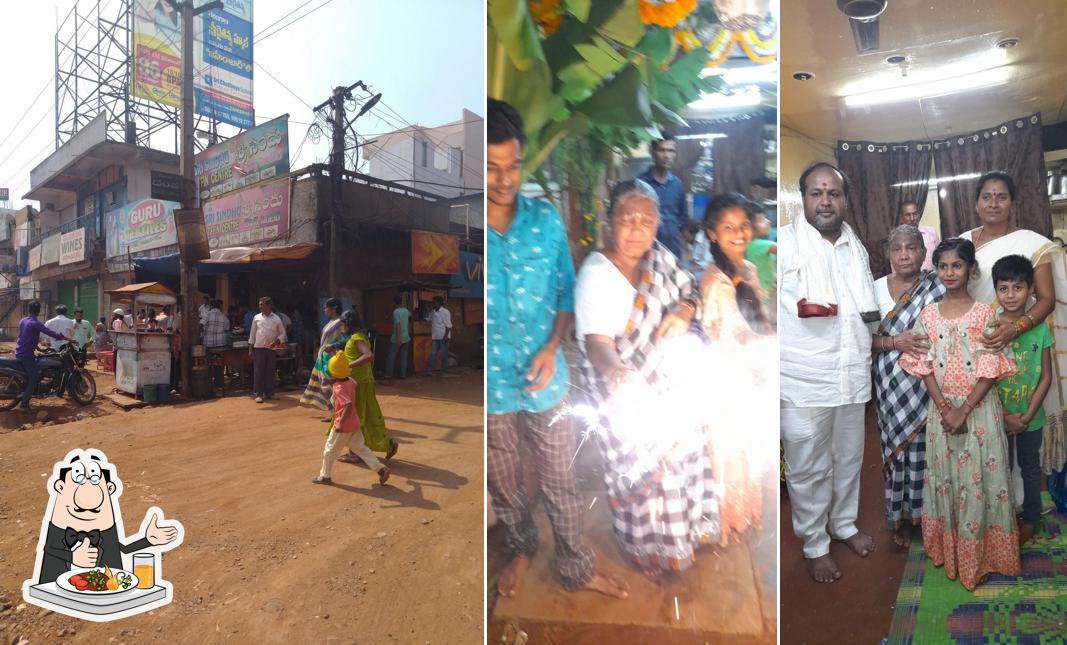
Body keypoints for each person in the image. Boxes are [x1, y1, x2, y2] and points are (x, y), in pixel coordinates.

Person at [486, 97, 627, 599]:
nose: (505, 180)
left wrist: (551, 346)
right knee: (505, 484)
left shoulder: (543, 221)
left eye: (514, 166)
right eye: (491, 168)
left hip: (549, 382)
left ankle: (576, 566)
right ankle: (522, 549)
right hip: (492, 390)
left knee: (560, 480)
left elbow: (566, 293)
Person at [575, 179, 715, 578]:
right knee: (642, 476)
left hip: (670, 388)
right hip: (622, 394)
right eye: (627, 219)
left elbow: (690, 291)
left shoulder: (661, 260)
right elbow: (596, 344)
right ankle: (648, 550)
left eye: (647, 220)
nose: (637, 229)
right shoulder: (595, 274)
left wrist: (685, 310)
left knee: (680, 467)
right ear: (609, 220)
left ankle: (683, 537)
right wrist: (619, 373)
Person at [899, 238, 1021, 590]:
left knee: (981, 483)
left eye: (957, 265)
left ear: (970, 270)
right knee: (949, 480)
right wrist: (944, 407)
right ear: (936, 270)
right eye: (944, 266)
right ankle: (953, 553)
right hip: (943, 414)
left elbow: (991, 363)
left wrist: (964, 408)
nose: (950, 272)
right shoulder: (928, 314)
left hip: (980, 413)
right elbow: (922, 364)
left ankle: (986, 557)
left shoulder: (986, 313)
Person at [780, 162, 879, 583]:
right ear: (802, 198)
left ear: (844, 199)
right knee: (807, 466)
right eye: (816, 193)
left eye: (833, 193)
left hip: (851, 373)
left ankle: (843, 525)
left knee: (849, 458)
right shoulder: (783, 246)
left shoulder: (856, 247)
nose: (825, 201)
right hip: (803, 380)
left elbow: (867, 309)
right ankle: (815, 543)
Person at [959, 171, 1067, 495]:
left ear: (1012, 203)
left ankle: (1023, 504)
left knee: (1023, 434)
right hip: (975, 347)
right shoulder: (963, 243)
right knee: (985, 427)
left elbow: (1046, 299)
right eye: (987, 196)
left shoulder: (1032, 243)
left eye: (1001, 196)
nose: (993, 203)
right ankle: (991, 501)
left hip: (1019, 345)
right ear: (976, 203)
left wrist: (1014, 329)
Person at [698, 193, 774, 544]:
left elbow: (757, 320)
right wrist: (765, 348)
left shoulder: (749, 269)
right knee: (728, 454)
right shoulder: (715, 281)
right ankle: (727, 521)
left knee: (748, 451)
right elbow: (727, 336)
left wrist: (770, 335)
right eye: (728, 228)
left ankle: (746, 513)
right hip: (727, 378)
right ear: (712, 233)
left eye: (743, 225)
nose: (739, 234)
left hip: (750, 374)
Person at [871, 225, 944, 548]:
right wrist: (894, 341)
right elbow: (861, 338)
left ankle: (927, 516)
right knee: (894, 448)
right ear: (888, 253)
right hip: (888, 380)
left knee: (926, 449)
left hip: (928, 380)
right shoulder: (871, 289)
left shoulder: (937, 286)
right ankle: (899, 517)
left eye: (911, 247)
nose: (904, 255)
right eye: (897, 248)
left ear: (923, 251)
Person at [991, 255, 1053, 545]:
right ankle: (1002, 518)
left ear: (1030, 290)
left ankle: (1030, 518)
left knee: (1030, 467)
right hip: (998, 417)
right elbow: (986, 379)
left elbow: (1046, 378)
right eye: (1004, 288)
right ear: (995, 291)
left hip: (1031, 416)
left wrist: (1027, 416)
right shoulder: (990, 329)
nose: (1011, 295)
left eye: (1018, 287)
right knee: (1001, 467)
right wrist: (1005, 416)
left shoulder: (1040, 329)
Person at [326, 309, 399, 462]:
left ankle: (354, 453)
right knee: (366, 416)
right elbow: (352, 355)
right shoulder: (358, 337)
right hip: (363, 382)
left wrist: (348, 366)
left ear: (348, 324)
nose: (342, 327)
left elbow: (368, 355)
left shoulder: (357, 338)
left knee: (355, 416)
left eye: (343, 324)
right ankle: (387, 443)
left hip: (358, 384)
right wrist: (335, 351)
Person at [312, 353, 390, 486]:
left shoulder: (338, 388)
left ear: (334, 372)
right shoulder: (351, 381)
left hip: (343, 424)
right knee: (360, 447)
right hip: (354, 422)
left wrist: (341, 423)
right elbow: (353, 387)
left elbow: (347, 404)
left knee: (330, 450)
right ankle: (380, 468)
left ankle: (325, 476)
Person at [639, 134, 687, 257]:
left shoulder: (677, 185)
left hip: (673, 251)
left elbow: (683, 216)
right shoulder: (640, 184)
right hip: (647, 251)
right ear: (653, 152)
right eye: (662, 150)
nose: (667, 156)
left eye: (671, 151)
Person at [16, 301, 69, 411]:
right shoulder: (36, 323)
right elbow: (50, 333)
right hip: (26, 355)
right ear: (39, 311)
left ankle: (25, 392)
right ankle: (24, 404)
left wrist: (38, 348)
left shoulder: (23, 321)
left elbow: (24, 337)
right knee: (34, 378)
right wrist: (64, 338)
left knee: (34, 373)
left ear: (29, 309)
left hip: (20, 352)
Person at [300, 298, 347, 414]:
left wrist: (334, 346)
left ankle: (337, 412)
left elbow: (346, 339)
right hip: (323, 358)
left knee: (329, 386)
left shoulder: (340, 322)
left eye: (326, 307)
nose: (324, 310)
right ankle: (333, 412)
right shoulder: (330, 322)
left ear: (334, 308)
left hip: (332, 359)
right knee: (324, 386)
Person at [247, 296, 286, 404]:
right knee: (259, 371)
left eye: (262, 304)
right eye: (259, 304)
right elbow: (252, 334)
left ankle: (270, 393)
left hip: (271, 348)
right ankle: (258, 394)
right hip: (258, 348)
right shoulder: (256, 318)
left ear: (269, 305)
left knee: (270, 370)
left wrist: (277, 341)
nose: (260, 306)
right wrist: (250, 349)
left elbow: (282, 333)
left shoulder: (276, 318)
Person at [745, 204, 778, 326]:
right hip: (764, 299)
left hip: (756, 296)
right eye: (762, 220)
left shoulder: (748, 246)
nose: (767, 222)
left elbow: (763, 271)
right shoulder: (761, 244)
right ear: (750, 226)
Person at [898, 201, 939, 272]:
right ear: (901, 217)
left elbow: (940, 257)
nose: (912, 218)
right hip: (909, 281)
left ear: (919, 214)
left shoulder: (931, 232)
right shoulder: (897, 238)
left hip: (933, 279)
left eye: (915, 214)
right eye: (908, 215)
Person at [385, 296, 411, 380]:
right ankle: (403, 374)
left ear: (394, 303)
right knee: (404, 356)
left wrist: (399, 339)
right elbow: (410, 315)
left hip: (397, 338)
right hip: (406, 337)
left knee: (391, 356)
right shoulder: (406, 310)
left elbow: (398, 325)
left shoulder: (396, 312)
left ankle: (389, 374)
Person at [680, 219, 712, 283]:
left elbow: (708, 264)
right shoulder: (689, 242)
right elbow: (688, 261)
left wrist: (691, 269)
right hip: (695, 273)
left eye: (685, 236)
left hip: (707, 274)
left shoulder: (706, 240)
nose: (684, 238)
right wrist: (686, 249)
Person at [426, 296, 452, 374]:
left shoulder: (445, 311)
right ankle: (429, 371)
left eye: (434, 302)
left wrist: (446, 336)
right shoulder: (433, 312)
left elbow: (448, 325)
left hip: (443, 336)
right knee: (433, 353)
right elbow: (429, 319)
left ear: (439, 303)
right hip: (435, 336)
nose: (432, 303)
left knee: (443, 355)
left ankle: (444, 370)